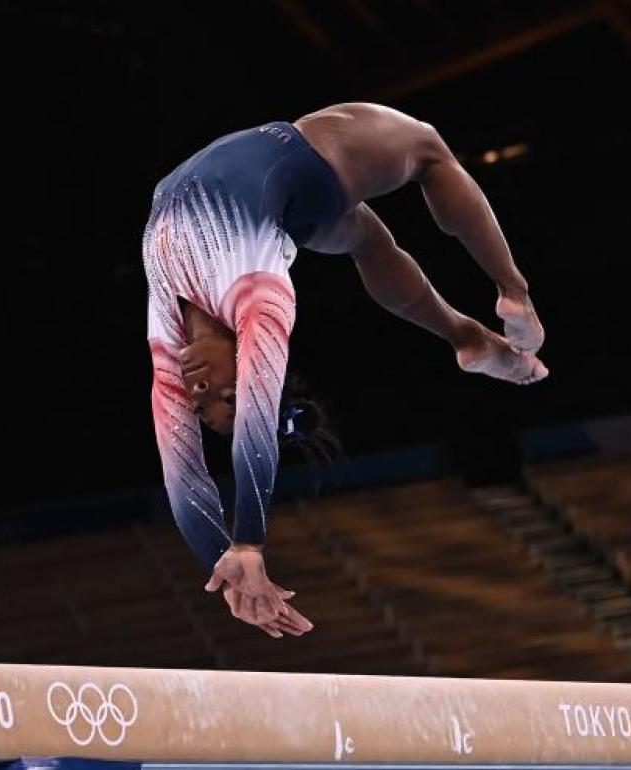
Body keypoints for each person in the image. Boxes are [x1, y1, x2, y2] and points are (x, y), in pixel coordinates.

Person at [144, 103, 547, 639]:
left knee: (368, 239)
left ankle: (469, 338)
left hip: (281, 204)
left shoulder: (167, 343)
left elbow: (183, 478)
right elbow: (254, 432)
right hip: (300, 160)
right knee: (427, 147)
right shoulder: (259, 300)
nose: (196, 393)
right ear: (252, 364)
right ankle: (514, 297)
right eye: (226, 400)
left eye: (202, 407)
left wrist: (227, 560)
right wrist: (247, 545)